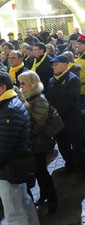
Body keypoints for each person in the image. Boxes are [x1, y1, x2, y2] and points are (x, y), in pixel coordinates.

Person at [0, 71, 40, 225]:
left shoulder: (9, 110)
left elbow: (3, 146)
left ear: (2, 88)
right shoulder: (10, 103)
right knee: (24, 203)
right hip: (15, 165)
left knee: (14, 213)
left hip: (9, 168)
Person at [18, 71, 58, 215]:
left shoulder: (39, 99)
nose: (20, 86)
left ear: (32, 84)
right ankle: (44, 195)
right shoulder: (27, 96)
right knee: (38, 172)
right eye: (19, 82)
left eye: (23, 83)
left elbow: (38, 124)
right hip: (33, 142)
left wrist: (24, 134)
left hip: (39, 142)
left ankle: (52, 200)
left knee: (42, 173)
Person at [46, 55, 81, 170]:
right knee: (62, 143)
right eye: (53, 65)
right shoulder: (51, 80)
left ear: (65, 64)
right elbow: (48, 98)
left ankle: (80, 166)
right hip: (57, 119)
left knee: (75, 142)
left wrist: (57, 112)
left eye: (56, 64)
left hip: (70, 118)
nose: (54, 67)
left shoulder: (73, 79)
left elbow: (71, 101)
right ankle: (69, 162)